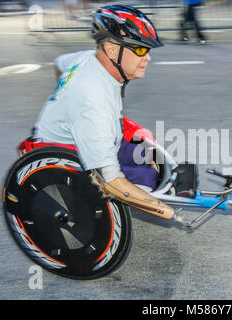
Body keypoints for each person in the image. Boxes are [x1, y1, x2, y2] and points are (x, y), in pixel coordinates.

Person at [33, 5, 175, 220]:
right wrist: (169, 213)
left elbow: (59, 64)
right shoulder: (94, 102)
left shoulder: (87, 57)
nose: (148, 58)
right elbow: (111, 182)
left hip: (86, 134)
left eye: (148, 50)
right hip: (70, 156)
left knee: (150, 150)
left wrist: (62, 98)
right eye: (140, 49)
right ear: (111, 49)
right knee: (148, 179)